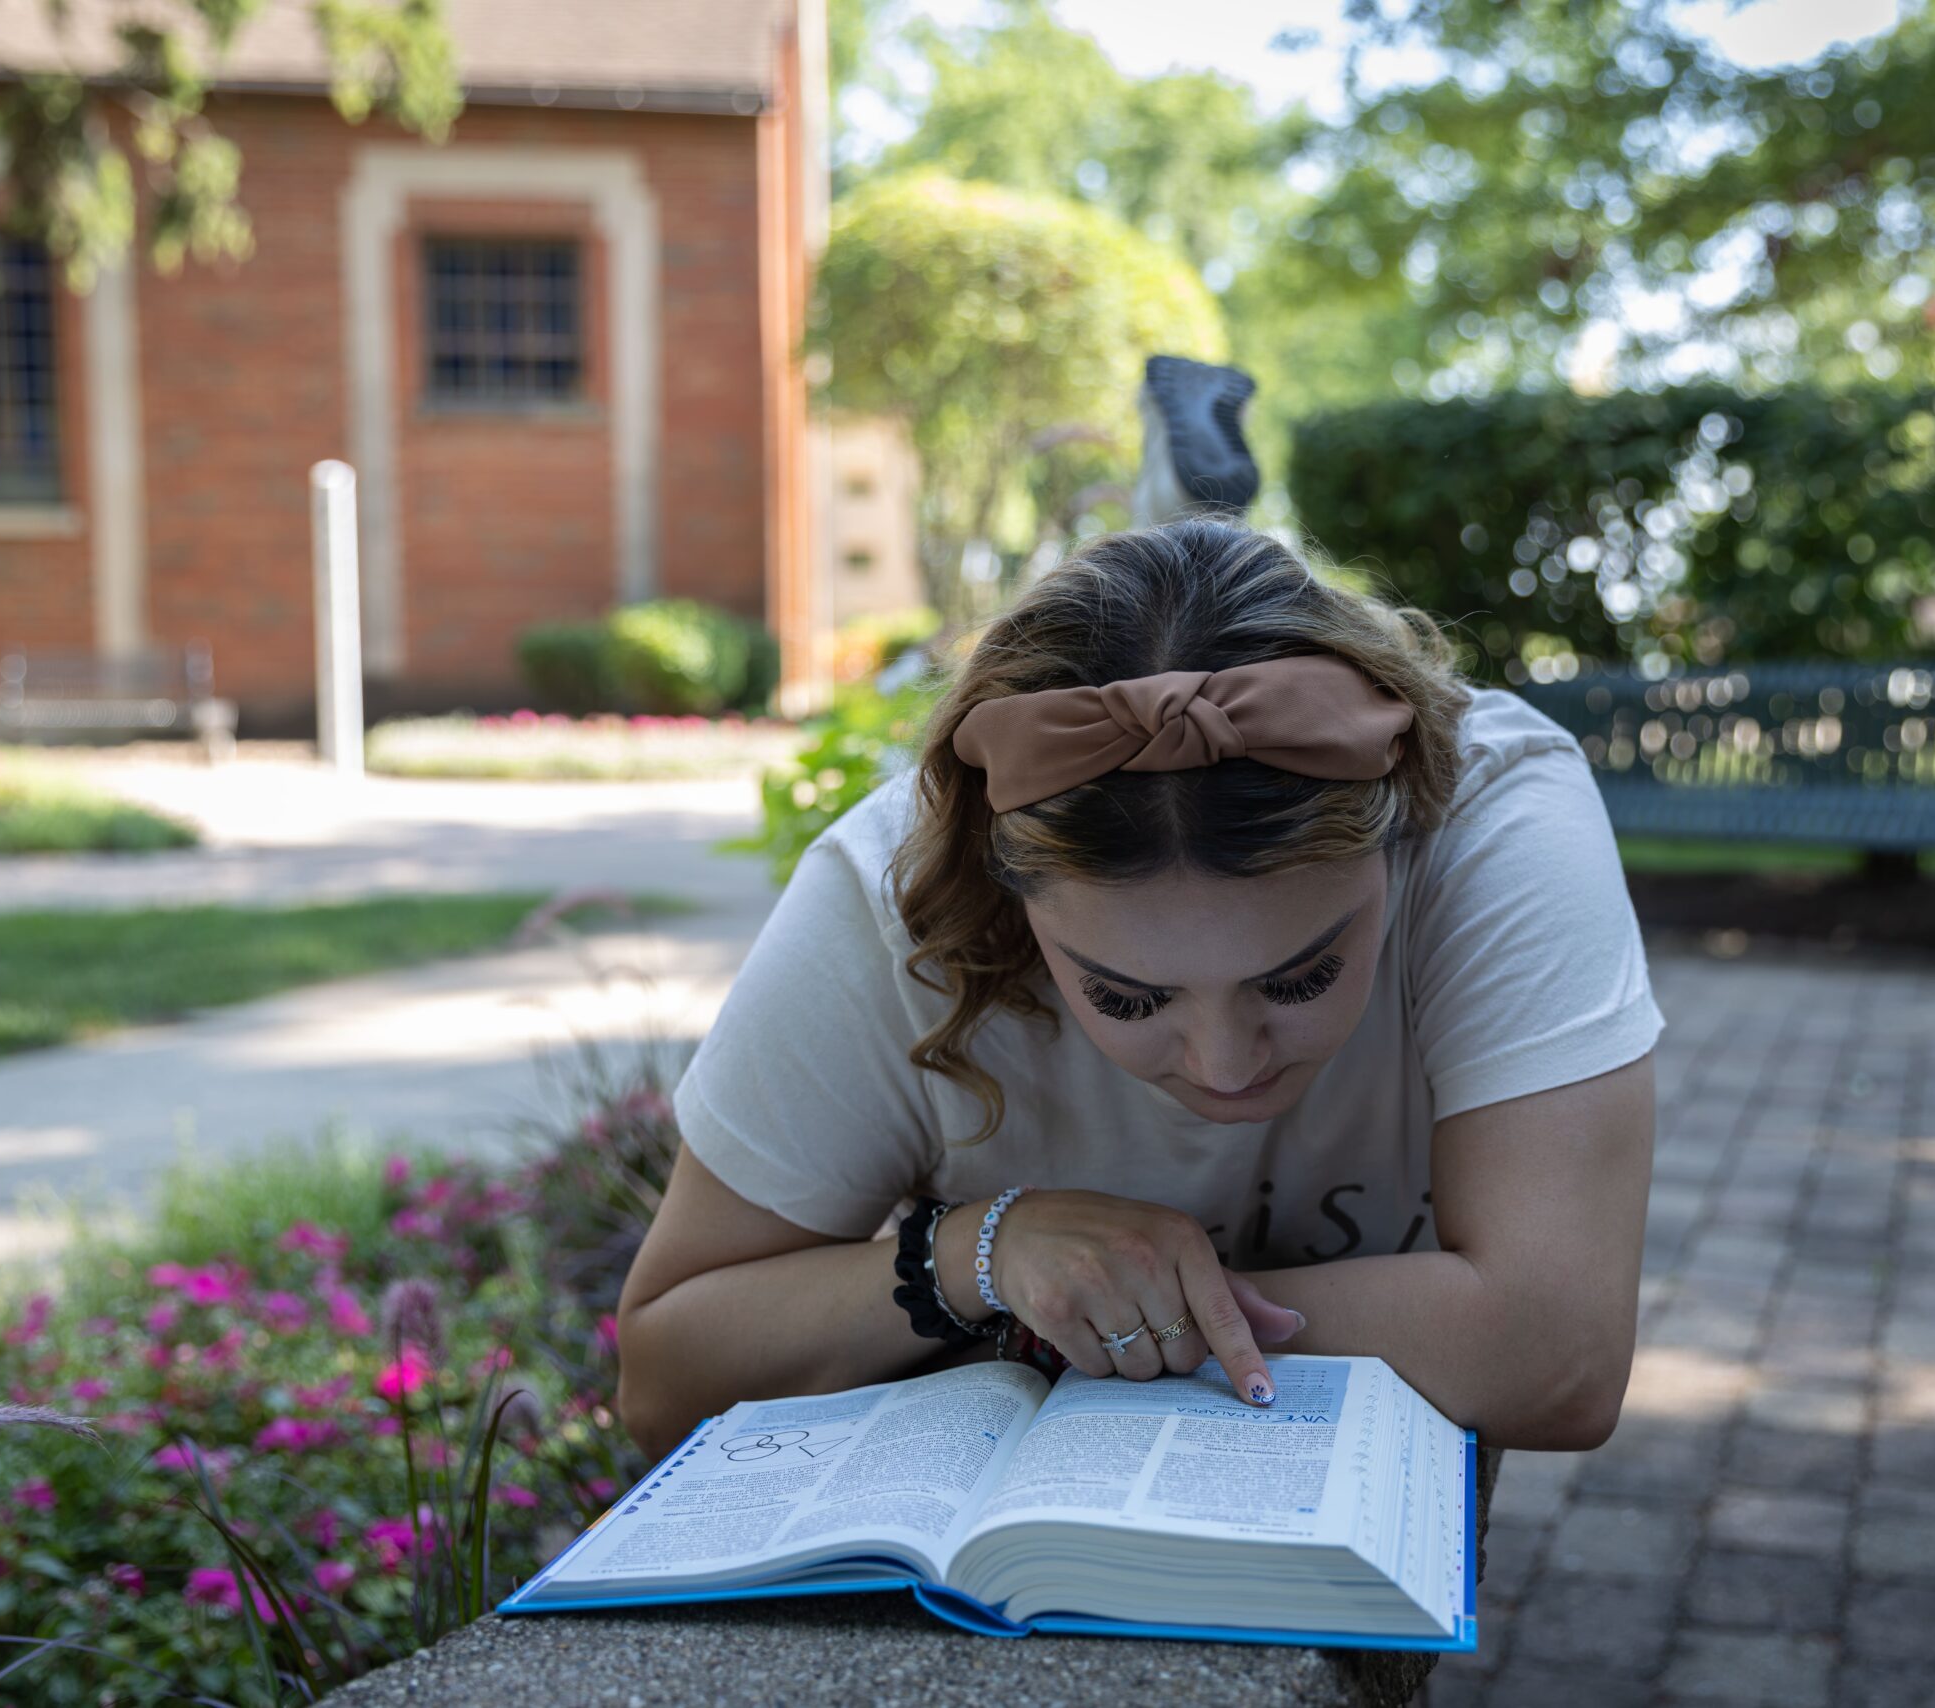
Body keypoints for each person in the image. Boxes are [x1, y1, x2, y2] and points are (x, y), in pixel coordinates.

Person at [617, 520, 1660, 1457]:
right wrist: (978, 1255)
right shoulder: (887, 891)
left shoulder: (1492, 819)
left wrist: (1071, 1319)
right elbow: (666, 1374)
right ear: (1003, 898)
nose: (1226, 1062)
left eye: (1302, 974)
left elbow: (1556, 1359)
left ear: (1399, 842)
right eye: (1125, 997)